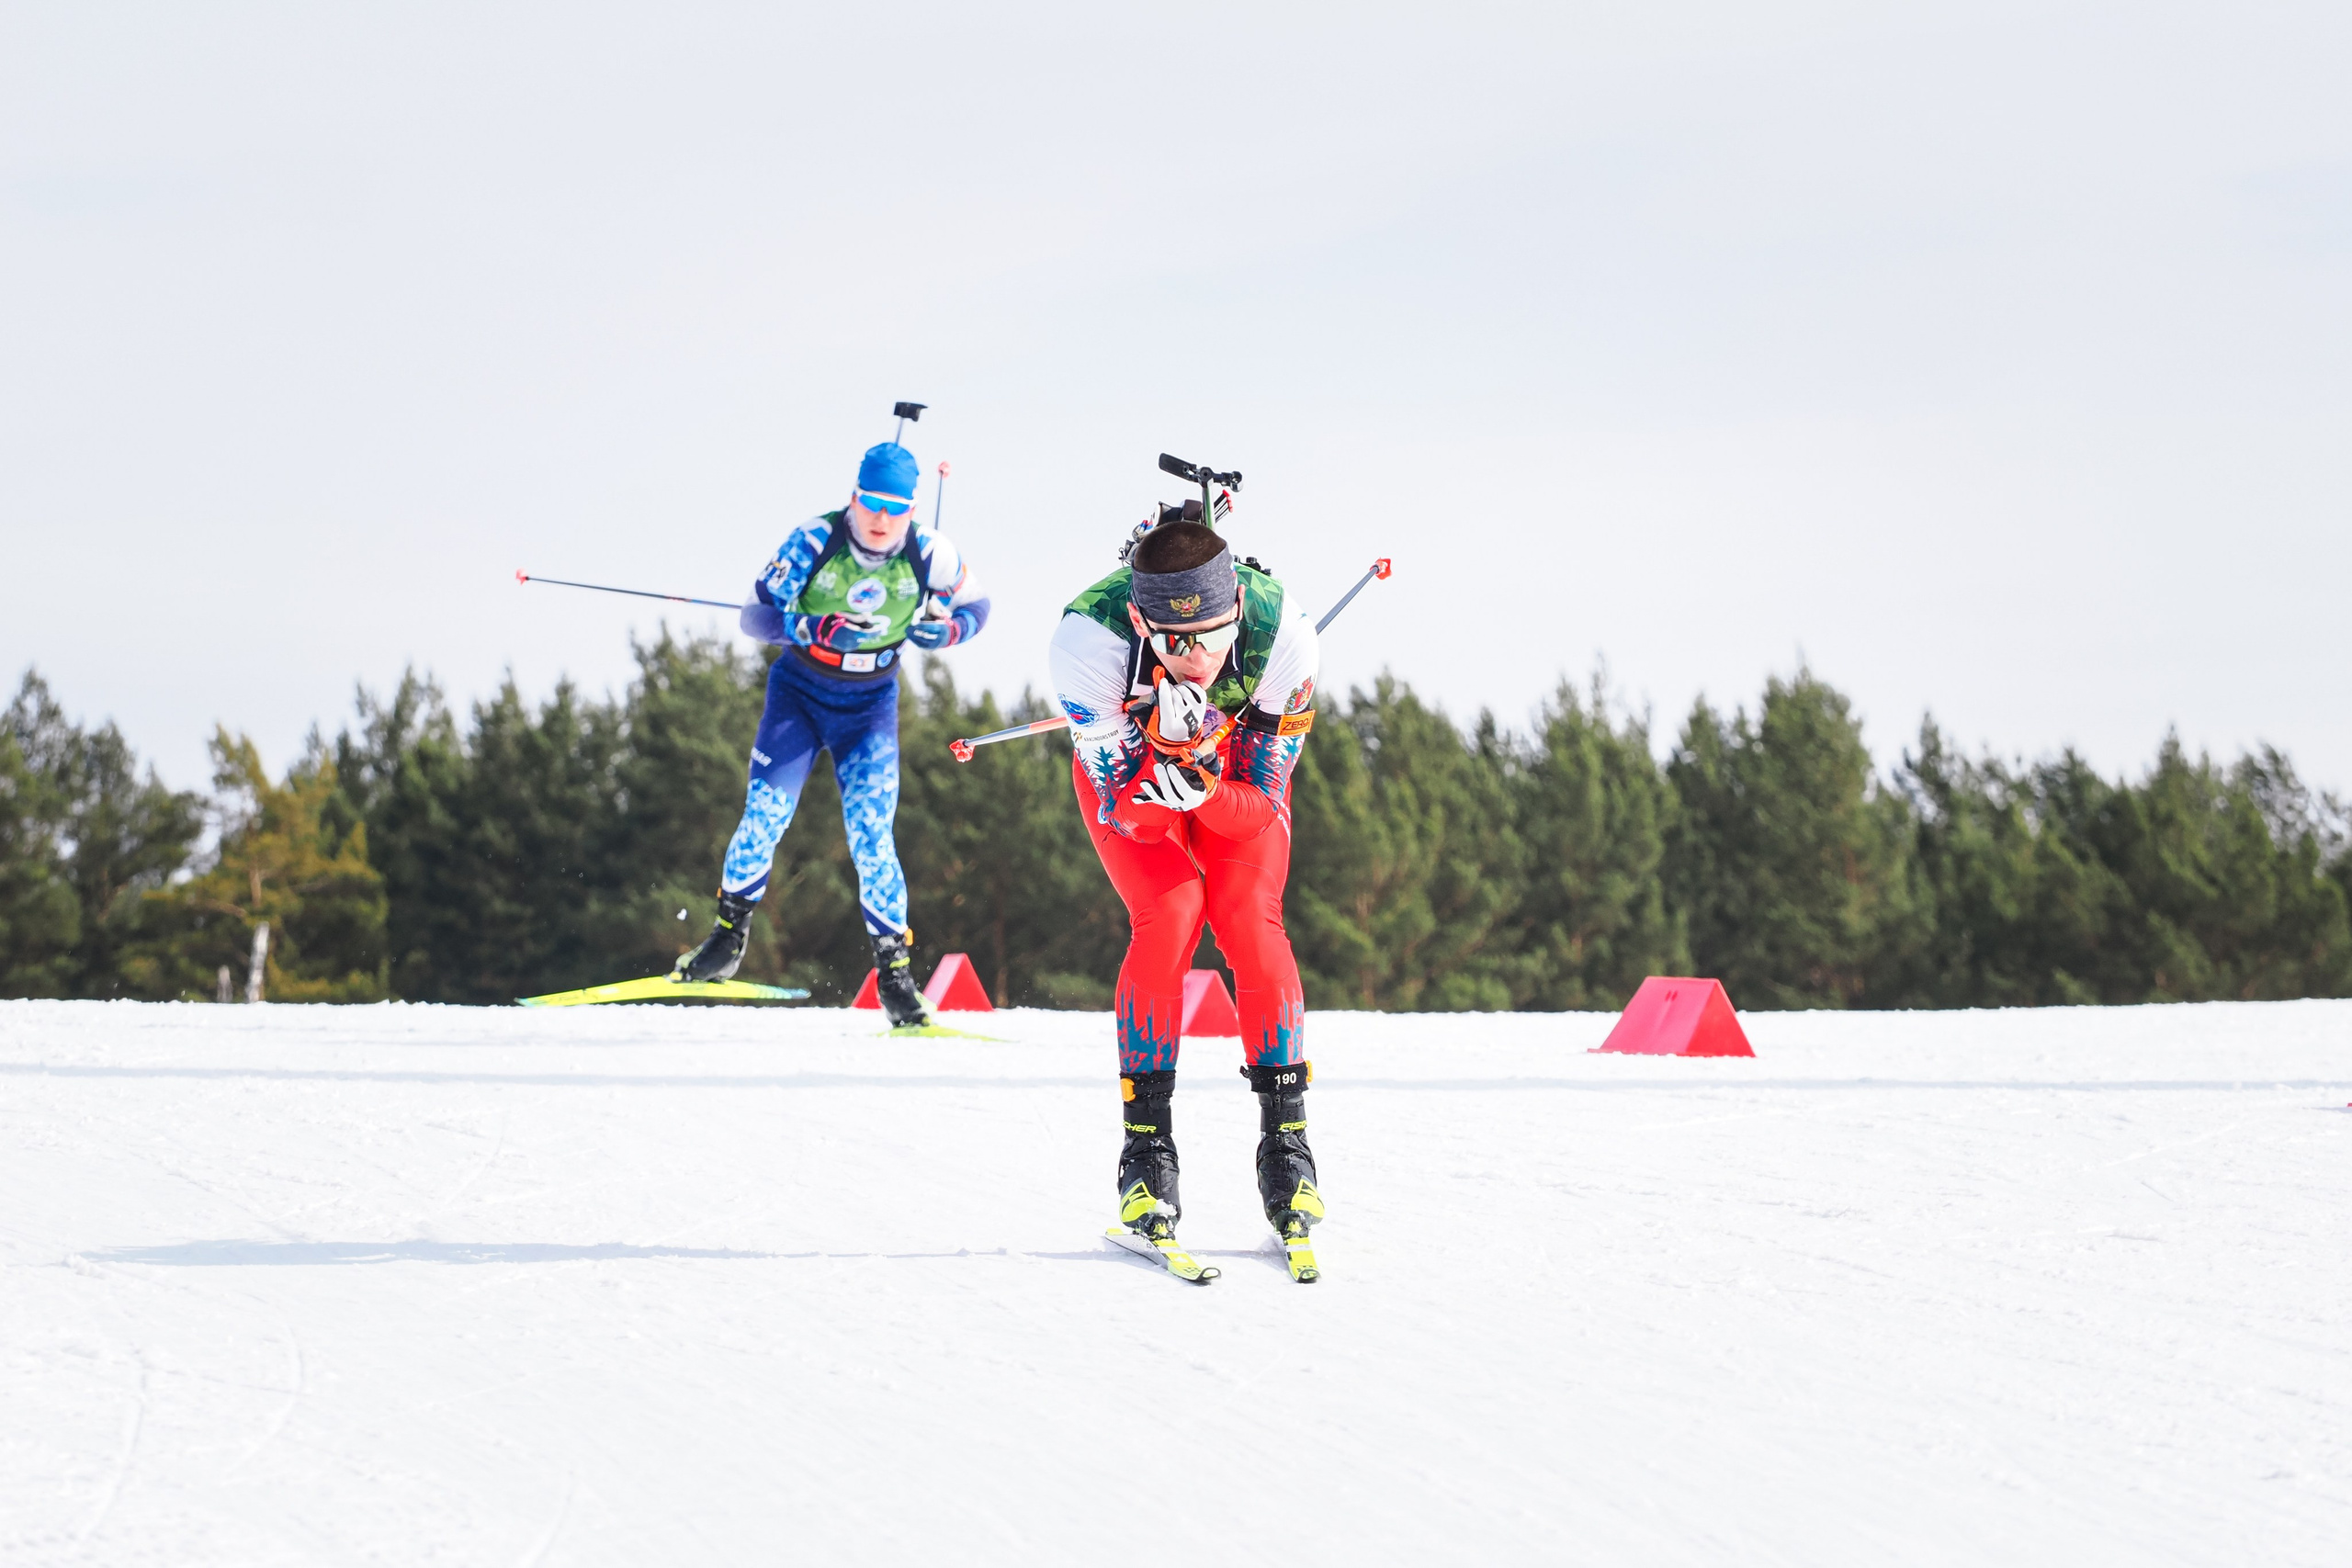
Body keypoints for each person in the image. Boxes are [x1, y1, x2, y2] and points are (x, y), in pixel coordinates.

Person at [1047, 517, 1325, 1279]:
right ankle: (1146, 1152)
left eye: (1211, 635)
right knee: (1171, 912)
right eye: (1174, 643)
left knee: (1248, 919)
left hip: (1233, 770)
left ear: (1236, 602)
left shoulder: (1285, 637)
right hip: (1139, 770)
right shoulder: (1087, 643)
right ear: (1141, 621)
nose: (1194, 656)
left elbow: (1261, 803)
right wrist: (1161, 773)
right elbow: (1123, 810)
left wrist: (1202, 780)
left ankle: (1288, 1143)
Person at [673, 441, 989, 1027]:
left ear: (912, 510)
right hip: (800, 693)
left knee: (872, 835)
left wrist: (945, 633)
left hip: (869, 706)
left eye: (895, 508)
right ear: (852, 498)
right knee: (764, 814)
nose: (880, 519)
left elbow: (978, 607)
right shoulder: (814, 540)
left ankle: (895, 978)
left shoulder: (930, 552)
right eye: (870, 503)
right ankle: (726, 938)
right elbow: (753, 615)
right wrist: (812, 627)